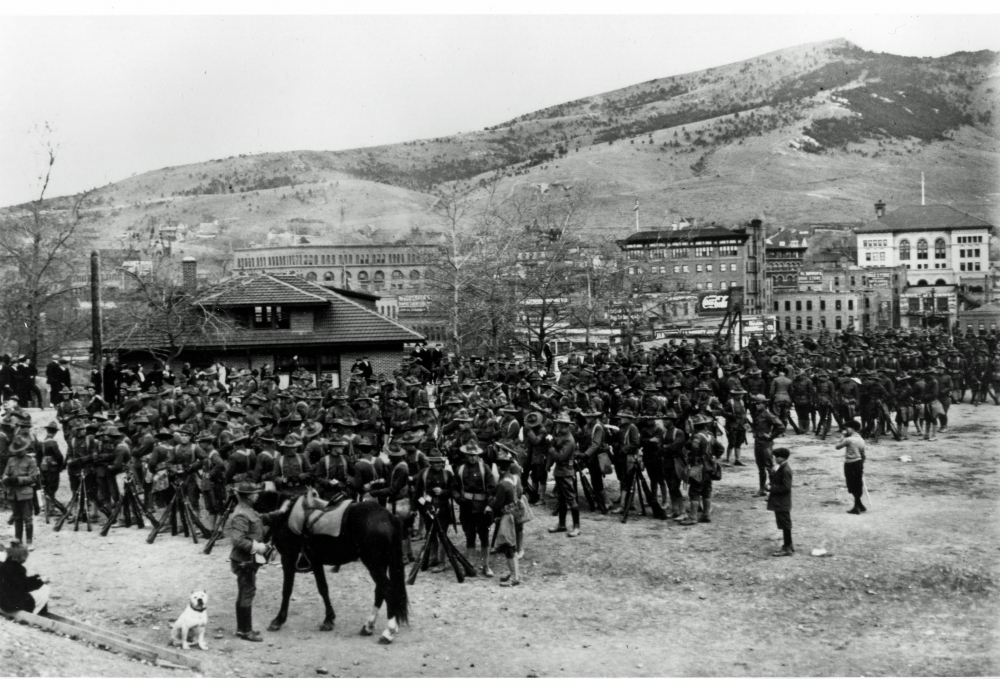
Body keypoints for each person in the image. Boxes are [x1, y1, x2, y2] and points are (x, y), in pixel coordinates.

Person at [226, 481, 290, 642]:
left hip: (247, 560)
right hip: (244, 561)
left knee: (245, 592)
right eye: (254, 493)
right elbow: (238, 540)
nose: (257, 495)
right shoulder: (241, 514)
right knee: (247, 591)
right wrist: (258, 547)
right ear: (247, 497)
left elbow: (262, 518)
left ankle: (242, 629)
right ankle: (246, 631)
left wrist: (281, 511)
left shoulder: (248, 510)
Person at [485, 447, 523, 587]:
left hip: (507, 516)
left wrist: (490, 499)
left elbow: (496, 505)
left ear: (500, 468)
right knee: (510, 544)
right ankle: (514, 572)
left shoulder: (502, 484)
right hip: (512, 514)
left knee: (509, 546)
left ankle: (514, 577)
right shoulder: (510, 478)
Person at [3, 434, 40, 549]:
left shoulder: (31, 460)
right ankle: (18, 540)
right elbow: (5, 473)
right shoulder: (11, 460)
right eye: (16, 450)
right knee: (17, 517)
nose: (18, 452)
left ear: (24, 448)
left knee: (27, 518)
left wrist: (18, 480)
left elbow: (33, 477)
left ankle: (29, 542)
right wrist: (6, 479)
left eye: (20, 450)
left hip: (25, 493)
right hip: (13, 494)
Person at [547, 413, 581, 537]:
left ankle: (577, 527)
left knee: (571, 500)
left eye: (561, 425)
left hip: (566, 472)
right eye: (558, 424)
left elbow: (560, 457)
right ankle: (562, 525)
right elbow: (556, 443)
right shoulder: (562, 436)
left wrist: (550, 447)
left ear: (566, 426)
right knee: (561, 500)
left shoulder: (569, 440)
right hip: (560, 472)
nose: (558, 427)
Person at [0, 541, 51, 614]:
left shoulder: (3, 566)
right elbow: (25, 587)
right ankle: (37, 613)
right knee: (45, 590)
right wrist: (40, 581)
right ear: (21, 557)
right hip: (13, 604)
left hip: (3, 603)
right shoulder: (19, 569)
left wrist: (35, 578)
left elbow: (20, 582)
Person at [766, 447, 794, 557]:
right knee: (784, 523)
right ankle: (789, 545)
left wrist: (771, 488)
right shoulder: (781, 467)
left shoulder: (785, 470)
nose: (775, 459)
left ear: (783, 458)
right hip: (781, 501)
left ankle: (787, 547)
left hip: (782, 501)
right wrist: (771, 473)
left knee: (785, 523)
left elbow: (786, 487)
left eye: (777, 457)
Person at [835, 420, 867, 514]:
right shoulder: (861, 439)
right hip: (859, 462)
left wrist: (842, 436)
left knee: (851, 484)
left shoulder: (849, 439)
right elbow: (863, 454)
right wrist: (862, 465)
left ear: (851, 429)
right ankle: (860, 504)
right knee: (858, 483)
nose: (845, 430)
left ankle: (856, 507)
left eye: (846, 428)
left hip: (850, 463)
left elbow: (837, 446)